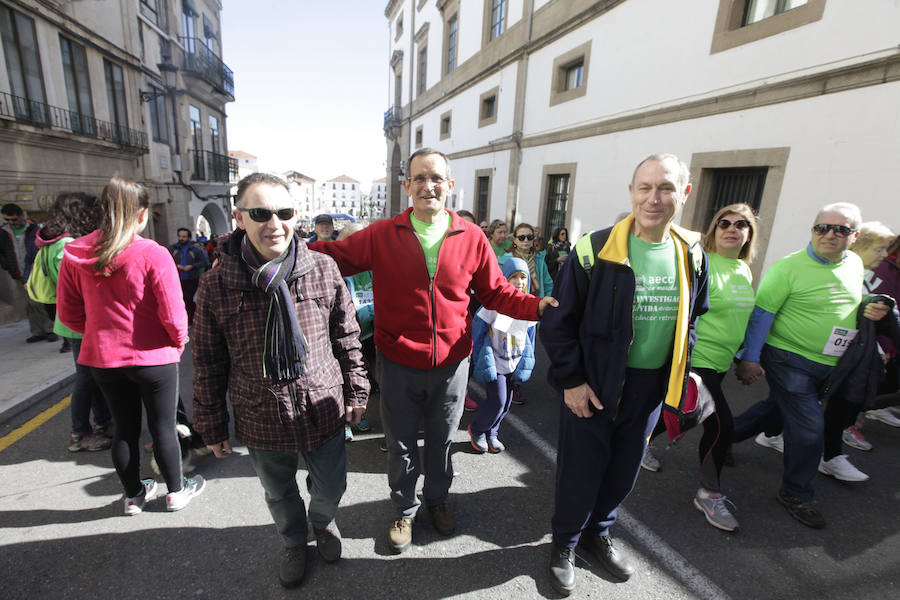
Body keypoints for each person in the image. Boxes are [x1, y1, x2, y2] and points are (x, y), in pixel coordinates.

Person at [308, 147, 556, 554]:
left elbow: (495, 291)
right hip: (398, 360)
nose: (429, 185)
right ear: (407, 185)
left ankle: (438, 500)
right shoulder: (383, 234)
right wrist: (280, 246)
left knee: (441, 441)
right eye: (420, 178)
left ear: (450, 185)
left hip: (452, 364)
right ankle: (405, 508)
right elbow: (333, 257)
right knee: (402, 444)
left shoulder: (471, 236)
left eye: (436, 178)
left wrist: (536, 306)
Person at [541, 153, 709, 595]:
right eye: (646, 188)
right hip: (593, 385)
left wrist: (680, 374)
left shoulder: (691, 252)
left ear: (684, 193)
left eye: (667, 188)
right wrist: (572, 382)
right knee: (581, 470)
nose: (655, 198)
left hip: (650, 388)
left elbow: (692, 319)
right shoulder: (593, 249)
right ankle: (564, 545)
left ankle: (598, 534)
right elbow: (559, 325)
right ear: (631, 192)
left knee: (623, 469)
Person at [192, 173, 369, 589]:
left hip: (322, 405)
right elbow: (208, 361)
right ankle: (293, 540)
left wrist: (357, 389)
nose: (275, 223)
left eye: (284, 212)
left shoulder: (323, 269)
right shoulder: (217, 284)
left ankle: (322, 524)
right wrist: (212, 426)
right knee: (279, 493)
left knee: (331, 487)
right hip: (261, 414)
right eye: (260, 213)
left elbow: (346, 336)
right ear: (239, 218)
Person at [732, 202, 891, 529]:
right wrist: (749, 357)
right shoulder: (788, 267)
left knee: (775, 411)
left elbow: (845, 301)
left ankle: (721, 439)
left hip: (832, 363)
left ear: (854, 236)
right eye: (823, 228)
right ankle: (796, 492)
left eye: (840, 230)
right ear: (813, 231)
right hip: (787, 357)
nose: (830, 235)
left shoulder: (855, 263)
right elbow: (763, 315)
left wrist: (871, 306)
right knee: (808, 428)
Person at [56, 177, 201, 516]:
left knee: (124, 427)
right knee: (163, 426)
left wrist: (98, 334)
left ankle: (133, 495)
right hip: (154, 357)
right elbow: (173, 313)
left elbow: (69, 314)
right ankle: (176, 491)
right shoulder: (153, 253)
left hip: (104, 358)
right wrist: (178, 343)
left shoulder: (75, 253)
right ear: (141, 215)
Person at [685, 203, 758, 532]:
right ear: (712, 230)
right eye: (724, 223)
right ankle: (709, 494)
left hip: (720, 363)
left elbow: (741, 319)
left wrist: (744, 358)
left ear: (748, 233)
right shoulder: (703, 264)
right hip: (697, 359)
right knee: (720, 426)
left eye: (741, 224)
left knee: (683, 416)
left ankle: (634, 444)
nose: (732, 228)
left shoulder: (744, 270)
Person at [26, 192, 114, 451]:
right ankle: (80, 433)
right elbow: (79, 290)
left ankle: (102, 421)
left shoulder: (51, 242)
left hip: (72, 322)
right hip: (79, 324)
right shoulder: (66, 248)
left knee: (92, 375)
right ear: (82, 214)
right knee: (86, 377)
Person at [818, 222, 896, 480]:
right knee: (793, 406)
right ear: (860, 246)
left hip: (853, 355)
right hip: (834, 354)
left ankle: (830, 454)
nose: (884, 255)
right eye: (880, 249)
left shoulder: (862, 274)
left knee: (840, 405)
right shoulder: (856, 275)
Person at [468, 256, 538, 453]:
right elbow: (478, 333)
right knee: (497, 401)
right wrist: (478, 359)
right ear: (504, 279)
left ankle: (492, 434)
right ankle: (478, 430)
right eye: (514, 277)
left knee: (506, 403)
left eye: (523, 277)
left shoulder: (530, 306)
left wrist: (526, 364)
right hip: (495, 362)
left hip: (514, 363)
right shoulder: (492, 305)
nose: (519, 282)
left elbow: (531, 339)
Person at [501, 222, 554, 406]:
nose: (525, 241)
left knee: (525, 349)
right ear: (514, 240)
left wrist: (544, 304)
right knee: (508, 349)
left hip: (532, 313)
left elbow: (547, 285)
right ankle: (503, 383)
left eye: (529, 237)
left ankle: (515, 384)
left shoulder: (539, 259)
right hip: (511, 312)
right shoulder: (505, 259)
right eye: (521, 237)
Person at [337, 222, 376, 441]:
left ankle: (359, 413)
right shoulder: (337, 267)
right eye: (356, 240)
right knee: (345, 378)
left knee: (364, 377)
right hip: (344, 335)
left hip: (369, 334)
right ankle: (344, 422)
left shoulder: (371, 266)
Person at [2, 203, 55, 343]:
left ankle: (50, 329)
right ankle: (37, 331)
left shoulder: (33, 229)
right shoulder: (3, 232)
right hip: (17, 272)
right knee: (29, 304)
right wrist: (6, 264)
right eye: (7, 220)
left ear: (21, 216)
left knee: (41, 300)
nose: (11, 223)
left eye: (13, 219)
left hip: (34, 271)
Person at [168, 227, 208, 324]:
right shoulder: (172, 249)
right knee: (181, 300)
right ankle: (191, 317)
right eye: (180, 236)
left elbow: (204, 262)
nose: (181, 238)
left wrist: (192, 266)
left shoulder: (196, 250)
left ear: (189, 238)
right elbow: (166, 260)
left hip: (191, 278)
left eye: (184, 237)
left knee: (187, 299)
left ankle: (190, 320)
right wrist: (175, 265)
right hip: (177, 279)